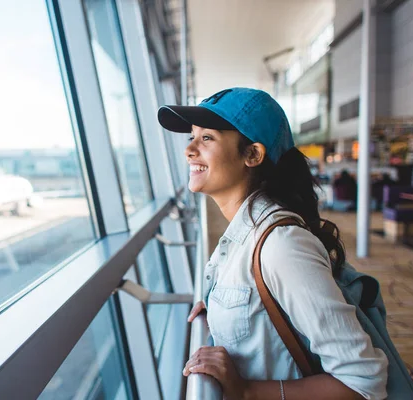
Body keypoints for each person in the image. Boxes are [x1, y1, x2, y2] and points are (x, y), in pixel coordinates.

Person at [158, 88, 388, 399]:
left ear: (252, 154)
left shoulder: (282, 246)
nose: (189, 150)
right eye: (192, 137)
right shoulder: (244, 234)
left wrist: (247, 390)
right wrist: (216, 307)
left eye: (207, 138)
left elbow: (362, 381)